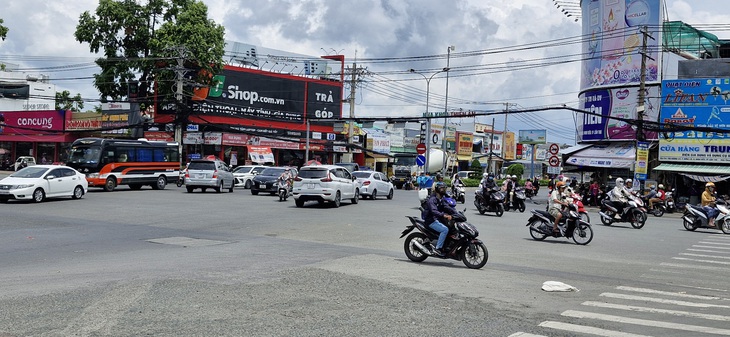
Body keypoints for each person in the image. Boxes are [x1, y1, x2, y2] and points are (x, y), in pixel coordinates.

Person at [422, 182, 457, 257]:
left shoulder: (441, 199)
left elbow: (447, 207)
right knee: (445, 230)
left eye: (444, 188)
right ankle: (438, 249)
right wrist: (444, 215)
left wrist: (456, 213)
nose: (443, 190)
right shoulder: (432, 199)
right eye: (442, 188)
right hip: (431, 221)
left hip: (438, 219)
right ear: (437, 189)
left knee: (451, 227)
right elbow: (434, 211)